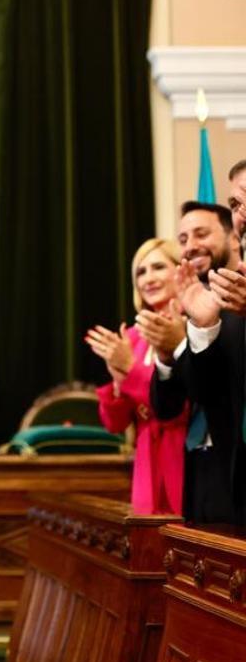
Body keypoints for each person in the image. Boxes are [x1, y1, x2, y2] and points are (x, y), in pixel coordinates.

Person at [152, 202, 246, 524]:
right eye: (182, 239)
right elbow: (170, 406)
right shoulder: (187, 305)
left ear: (234, 238)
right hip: (198, 470)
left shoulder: (239, 303)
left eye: (201, 234)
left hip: (235, 470)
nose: (191, 245)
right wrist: (167, 356)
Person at [85, 238, 187, 515]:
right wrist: (118, 381)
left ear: (180, 271)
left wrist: (130, 370)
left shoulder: (194, 325)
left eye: (157, 267)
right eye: (140, 272)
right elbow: (115, 423)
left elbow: (178, 409)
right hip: (145, 461)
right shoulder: (132, 337)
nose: (148, 278)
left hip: (185, 458)